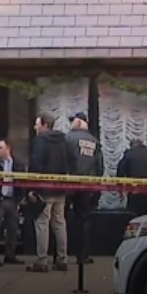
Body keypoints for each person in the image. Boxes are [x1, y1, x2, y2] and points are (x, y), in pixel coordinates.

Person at [28, 113, 71, 272]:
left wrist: (32, 188)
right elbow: (69, 161)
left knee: (42, 223)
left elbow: (36, 164)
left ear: (45, 125)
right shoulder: (63, 140)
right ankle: (62, 259)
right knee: (59, 223)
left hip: (44, 189)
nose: (35, 127)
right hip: (60, 188)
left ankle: (42, 261)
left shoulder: (40, 140)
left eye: (37, 124)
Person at [66, 112, 104, 264]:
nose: (71, 124)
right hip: (87, 185)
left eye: (72, 121)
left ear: (78, 122)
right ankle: (83, 255)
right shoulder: (94, 141)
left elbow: (64, 160)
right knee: (84, 219)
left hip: (69, 183)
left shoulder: (68, 138)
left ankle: (60, 255)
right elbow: (99, 166)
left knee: (61, 220)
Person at [0, 140, 25, 267]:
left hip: (11, 199)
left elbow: (22, 181)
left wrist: (19, 198)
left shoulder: (17, 163)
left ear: (8, 149)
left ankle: (10, 255)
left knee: (12, 228)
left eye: (0, 147)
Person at [117, 137, 147, 217]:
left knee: (133, 216)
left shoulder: (129, 154)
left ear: (131, 146)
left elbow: (120, 173)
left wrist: (120, 190)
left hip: (135, 192)